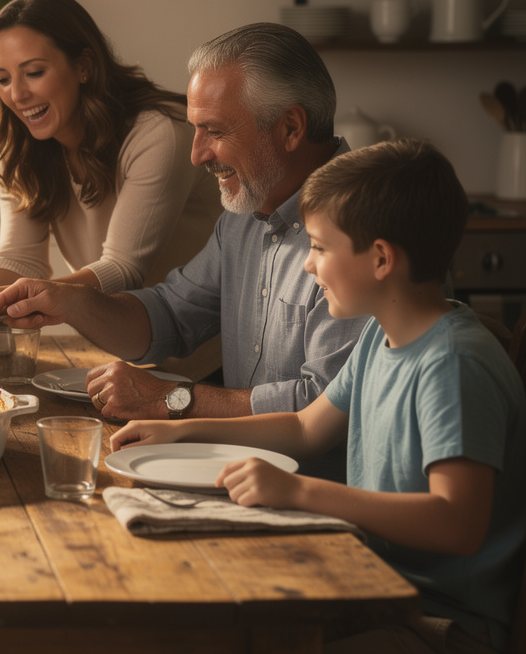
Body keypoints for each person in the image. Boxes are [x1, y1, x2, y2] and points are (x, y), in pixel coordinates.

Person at [110, 139, 525, 654]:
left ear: (380, 260)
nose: (307, 266)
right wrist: (182, 428)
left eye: (320, 248)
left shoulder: (453, 364)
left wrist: (301, 493)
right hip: (373, 587)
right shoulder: (381, 335)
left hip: (438, 623)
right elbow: (306, 427)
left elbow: (457, 523)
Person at [0, 22, 370, 481]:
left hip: (323, 502)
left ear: (290, 127)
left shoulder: (366, 226)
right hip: (239, 476)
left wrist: (171, 399)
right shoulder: (244, 214)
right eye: (195, 130)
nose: (198, 155)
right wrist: (69, 301)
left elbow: (325, 407)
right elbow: (170, 315)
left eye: (215, 131)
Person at [0, 0, 221, 332]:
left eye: (34, 72)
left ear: (83, 66)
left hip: (205, 352)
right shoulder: (19, 147)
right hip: (121, 350)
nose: (18, 95)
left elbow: (122, 270)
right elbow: (18, 257)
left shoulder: (158, 134)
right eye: (3, 79)